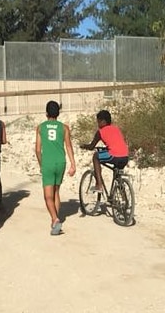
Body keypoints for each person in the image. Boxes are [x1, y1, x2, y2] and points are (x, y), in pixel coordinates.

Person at [35, 101, 76, 236]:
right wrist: (73, 164)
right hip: (60, 162)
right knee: (56, 191)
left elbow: (37, 149)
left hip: (48, 162)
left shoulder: (40, 127)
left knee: (48, 196)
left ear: (46, 113)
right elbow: (69, 146)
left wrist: (41, 164)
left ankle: (55, 219)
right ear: (58, 113)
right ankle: (55, 219)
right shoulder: (64, 128)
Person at [81, 110, 129, 193]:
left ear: (103, 121)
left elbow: (92, 146)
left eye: (98, 122)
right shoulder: (116, 129)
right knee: (117, 174)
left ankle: (99, 185)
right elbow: (116, 144)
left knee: (96, 156)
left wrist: (84, 146)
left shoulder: (100, 132)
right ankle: (123, 197)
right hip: (125, 156)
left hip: (114, 155)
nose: (98, 124)